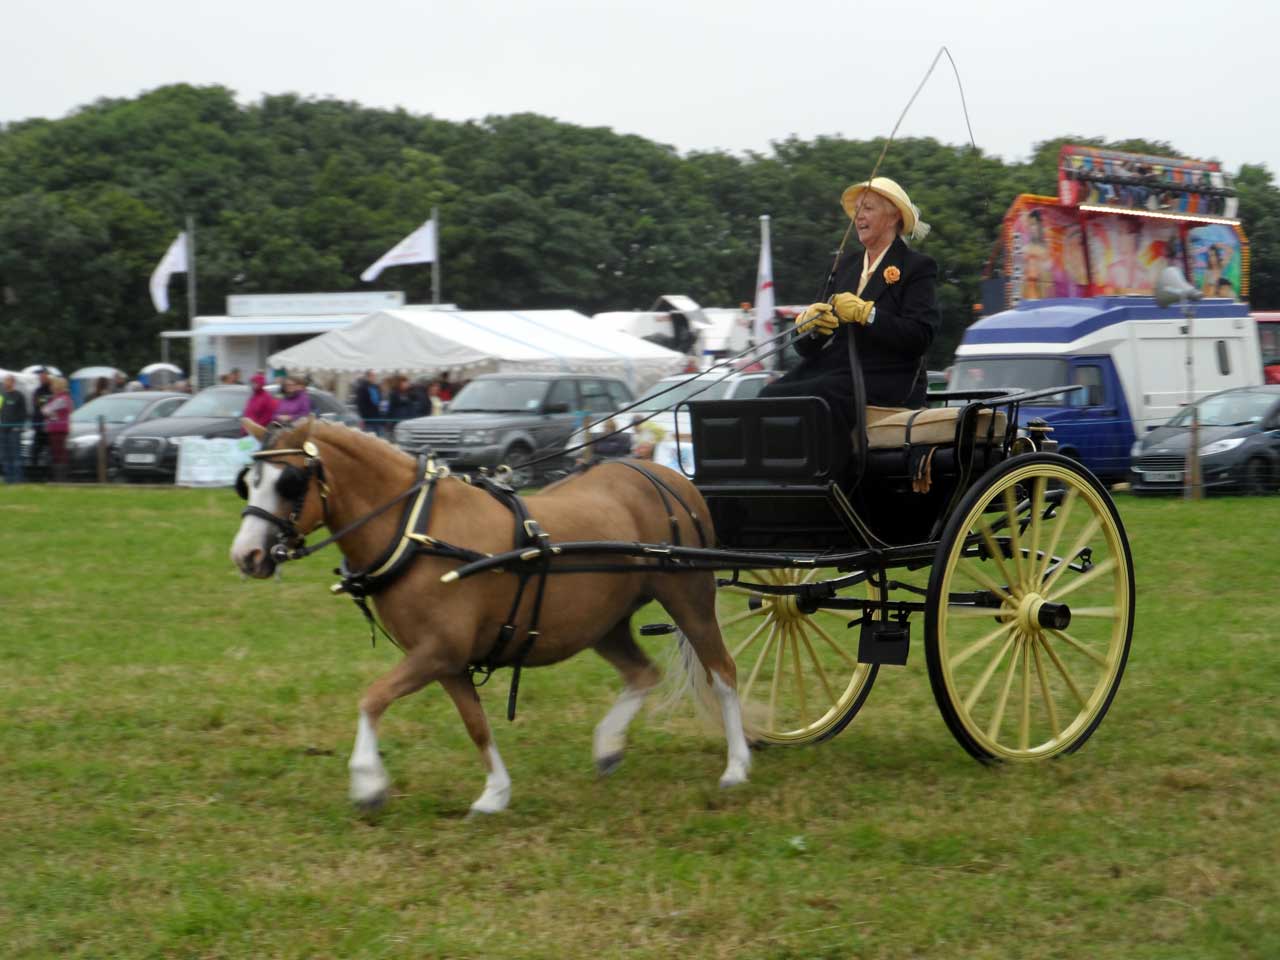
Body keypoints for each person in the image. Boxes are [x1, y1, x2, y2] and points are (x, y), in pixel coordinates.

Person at [761, 176, 940, 474]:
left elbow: (920, 336)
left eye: (868, 208)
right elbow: (807, 349)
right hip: (837, 368)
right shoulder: (845, 266)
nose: (859, 216)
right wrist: (808, 326)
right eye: (857, 209)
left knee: (823, 395)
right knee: (769, 395)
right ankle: (780, 480)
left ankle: (835, 483)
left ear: (893, 215)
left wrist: (867, 314)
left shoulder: (917, 267)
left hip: (888, 376)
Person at [42, 376, 73, 482]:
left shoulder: (63, 399)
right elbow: (46, 410)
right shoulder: (56, 398)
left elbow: (46, 410)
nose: (51, 387)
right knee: (56, 453)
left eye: (53, 384)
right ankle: (58, 477)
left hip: (59, 429)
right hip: (54, 429)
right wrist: (50, 412)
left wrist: (50, 412)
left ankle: (61, 478)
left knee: (60, 454)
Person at [1, 374, 28, 483]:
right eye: (4, 381)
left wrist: (18, 426)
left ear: (12, 382)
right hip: (3, 430)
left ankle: (17, 478)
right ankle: (8, 478)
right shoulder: (2, 395)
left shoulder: (19, 396)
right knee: (5, 455)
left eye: (7, 381)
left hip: (15, 431)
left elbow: (23, 413)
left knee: (16, 454)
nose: (5, 383)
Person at [27, 368, 52, 472]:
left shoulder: (52, 390)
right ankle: (34, 474)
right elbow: (36, 405)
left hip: (50, 427)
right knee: (35, 452)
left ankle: (50, 474)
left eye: (44, 376)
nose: (41, 378)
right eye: (40, 377)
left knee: (50, 452)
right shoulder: (37, 391)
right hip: (39, 426)